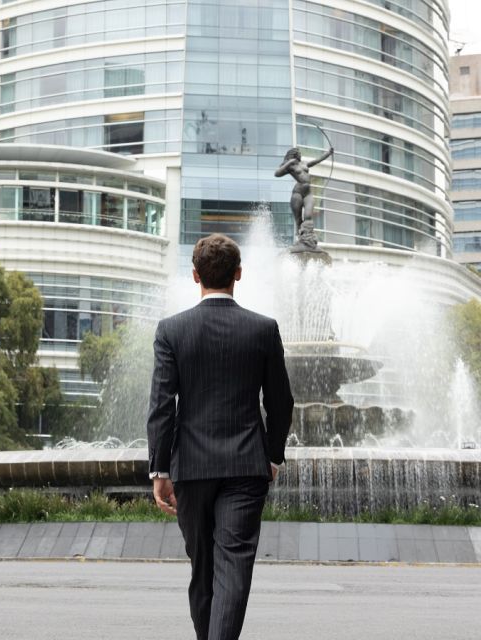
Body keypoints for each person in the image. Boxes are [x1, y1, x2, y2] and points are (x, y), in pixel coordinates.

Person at [146, 233, 294, 640]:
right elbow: (281, 402)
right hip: (247, 467)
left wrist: (160, 468)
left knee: (204, 569)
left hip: (191, 468)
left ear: (195, 275)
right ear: (238, 274)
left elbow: (162, 405)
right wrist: (273, 456)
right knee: (232, 568)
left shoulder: (172, 330)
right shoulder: (263, 329)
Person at [274, 146, 333, 232]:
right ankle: (301, 238)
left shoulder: (303, 164)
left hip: (308, 193)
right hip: (298, 193)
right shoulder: (290, 166)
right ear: (294, 154)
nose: (300, 155)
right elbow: (277, 173)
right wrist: (289, 162)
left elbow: (317, 160)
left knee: (308, 216)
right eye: (299, 154)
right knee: (298, 221)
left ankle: (307, 236)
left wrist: (328, 153)